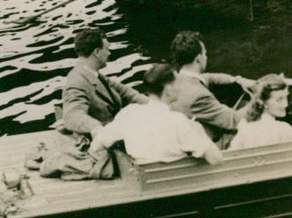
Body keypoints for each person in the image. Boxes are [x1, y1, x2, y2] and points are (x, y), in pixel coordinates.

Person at [90, 64, 222, 166]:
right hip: (177, 184)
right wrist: (198, 131)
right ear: (169, 90)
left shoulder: (129, 113)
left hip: (145, 180)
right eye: (178, 83)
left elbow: (97, 145)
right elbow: (216, 159)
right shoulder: (178, 121)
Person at [169, 31, 254, 145]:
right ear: (198, 58)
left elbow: (209, 77)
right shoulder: (198, 95)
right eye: (205, 54)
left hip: (187, 137)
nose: (206, 57)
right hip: (212, 144)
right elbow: (233, 120)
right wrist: (261, 96)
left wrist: (238, 80)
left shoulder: (176, 78)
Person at [62, 26, 147, 135]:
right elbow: (72, 116)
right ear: (97, 52)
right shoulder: (77, 82)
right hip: (107, 138)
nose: (109, 53)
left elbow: (125, 92)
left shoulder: (93, 74)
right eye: (107, 49)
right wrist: (97, 128)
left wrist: (153, 105)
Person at [228, 75, 292, 149]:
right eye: (279, 99)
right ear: (263, 102)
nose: (286, 104)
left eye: (286, 97)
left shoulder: (244, 125)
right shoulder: (283, 130)